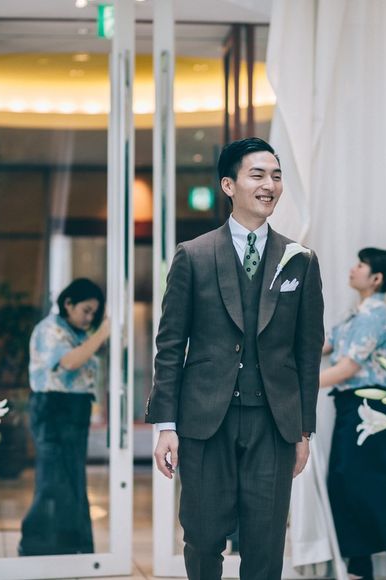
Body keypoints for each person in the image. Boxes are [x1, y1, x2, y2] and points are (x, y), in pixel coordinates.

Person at [145, 137, 325, 580]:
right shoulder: (193, 255)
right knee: (203, 537)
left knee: (266, 543)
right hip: (206, 421)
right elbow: (170, 345)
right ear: (229, 185)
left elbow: (308, 352)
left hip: (274, 423)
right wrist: (166, 425)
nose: (270, 185)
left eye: (276, 176)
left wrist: (303, 429)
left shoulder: (300, 260)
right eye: (257, 175)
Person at [320, 248, 386, 580]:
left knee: (366, 487)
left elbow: (347, 368)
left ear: (376, 278)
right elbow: (325, 346)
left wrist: (297, 385)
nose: (353, 269)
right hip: (349, 407)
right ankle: (360, 568)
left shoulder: (374, 315)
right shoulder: (354, 314)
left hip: (369, 408)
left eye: (360, 265)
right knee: (343, 483)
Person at [19, 278, 110, 556]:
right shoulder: (50, 329)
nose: (89, 317)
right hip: (53, 408)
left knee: (72, 478)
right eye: (86, 310)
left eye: (94, 313)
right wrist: (103, 332)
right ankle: (37, 545)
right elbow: (69, 362)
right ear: (68, 303)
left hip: (73, 409)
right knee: (53, 479)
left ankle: (71, 546)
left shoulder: (75, 332)